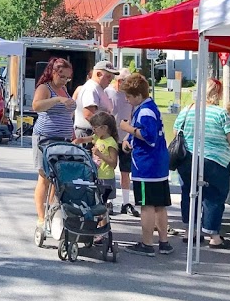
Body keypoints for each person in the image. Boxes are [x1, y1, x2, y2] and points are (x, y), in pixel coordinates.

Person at [174, 79, 230, 249]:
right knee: (214, 196)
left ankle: (190, 231)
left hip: (188, 159)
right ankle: (213, 235)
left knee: (189, 194)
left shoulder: (186, 111)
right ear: (217, 94)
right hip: (214, 160)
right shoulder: (221, 114)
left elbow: (176, 134)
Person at [117, 72, 172, 256]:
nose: (127, 99)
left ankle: (147, 244)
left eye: (129, 96)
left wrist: (127, 128)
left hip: (147, 166)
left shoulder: (145, 110)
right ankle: (164, 242)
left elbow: (149, 136)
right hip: (158, 164)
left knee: (147, 205)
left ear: (138, 95)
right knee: (159, 205)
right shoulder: (149, 107)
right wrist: (129, 139)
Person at [31, 57, 77, 227]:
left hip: (63, 138)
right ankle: (41, 217)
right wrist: (57, 99)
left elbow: (67, 115)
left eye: (67, 77)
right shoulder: (45, 88)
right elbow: (36, 106)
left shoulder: (64, 89)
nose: (64, 80)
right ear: (53, 73)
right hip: (45, 137)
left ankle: (51, 210)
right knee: (44, 176)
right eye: (62, 76)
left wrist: (72, 133)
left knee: (57, 177)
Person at [73, 110, 119, 228]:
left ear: (104, 128)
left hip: (105, 178)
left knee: (101, 206)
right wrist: (78, 140)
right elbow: (85, 139)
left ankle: (103, 229)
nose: (93, 131)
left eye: (95, 128)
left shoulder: (110, 142)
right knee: (95, 203)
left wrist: (100, 154)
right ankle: (96, 226)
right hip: (96, 175)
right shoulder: (98, 137)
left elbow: (113, 163)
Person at [107, 67, 139, 217]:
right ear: (117, 81)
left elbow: (132, 114)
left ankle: (126, 202)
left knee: (126, 171)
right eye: (123, 82)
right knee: (108, 170)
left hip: (125, 138)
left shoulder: (129, 97)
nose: (125, 85)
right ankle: (109, 201)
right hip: (111, 138)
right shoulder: (108, 92)